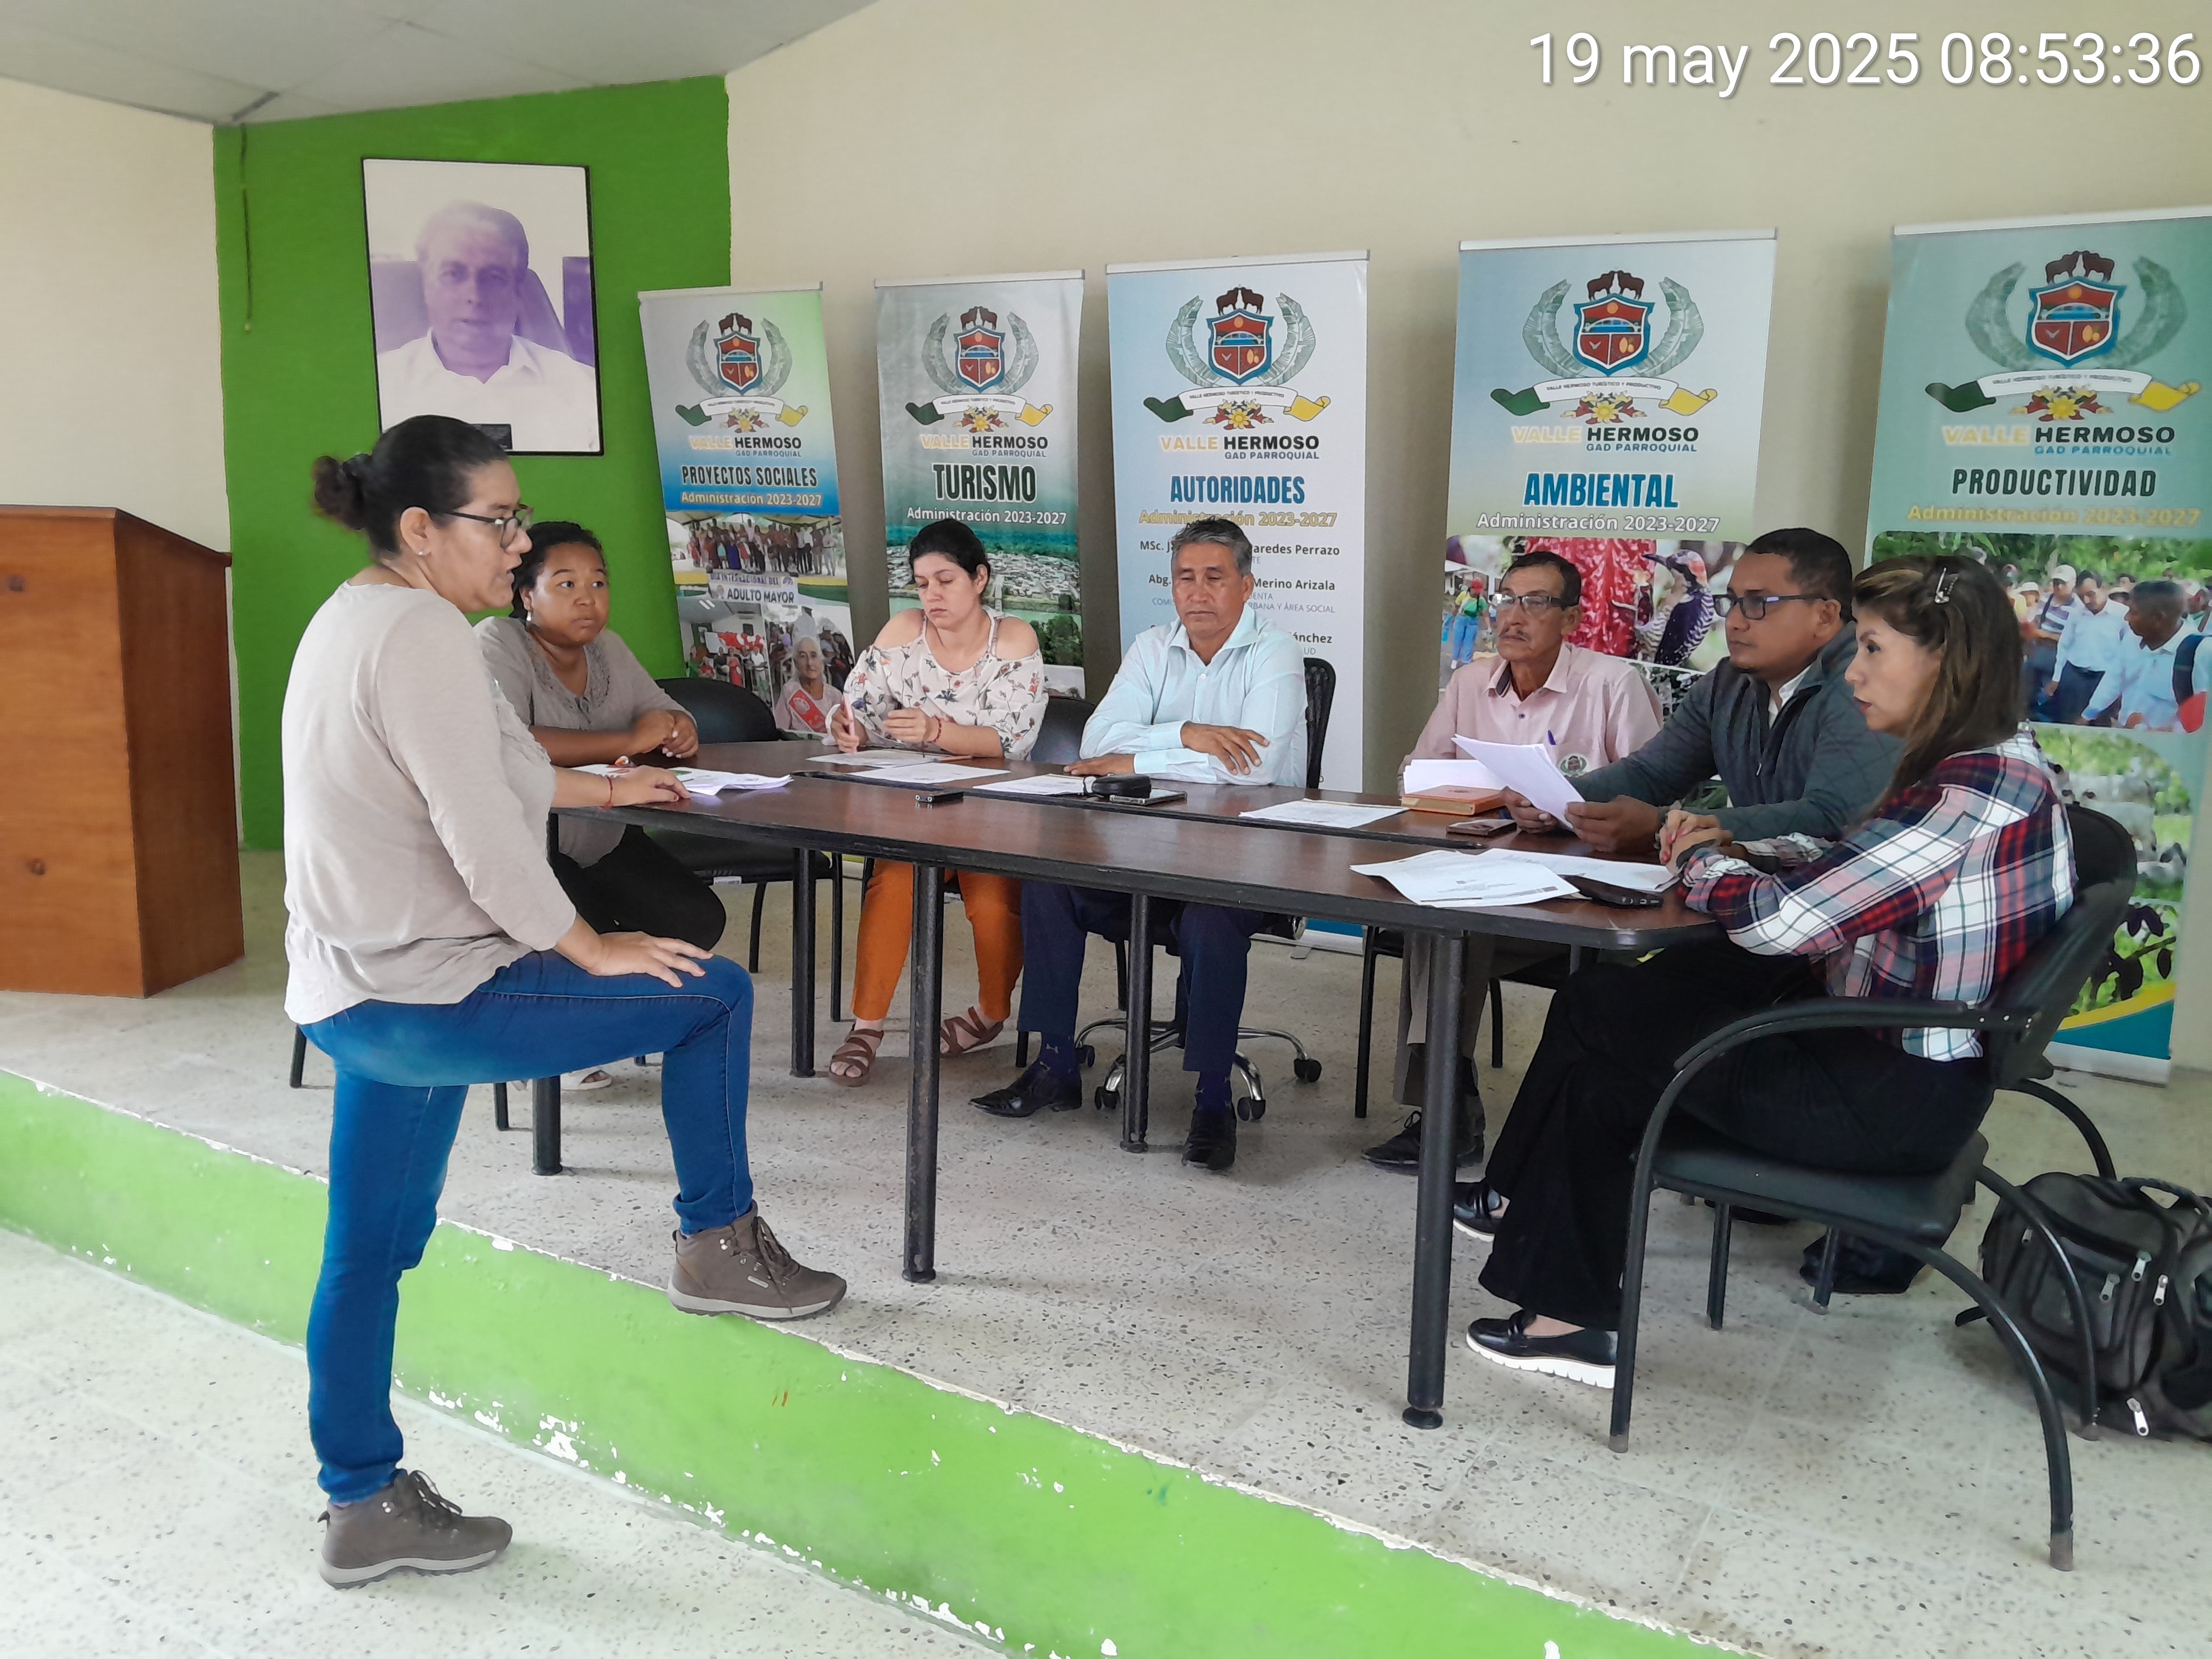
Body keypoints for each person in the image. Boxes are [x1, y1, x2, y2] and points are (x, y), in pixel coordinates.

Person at [287, 417, 843, 1588]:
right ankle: (715, 1247)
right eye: (499, 522)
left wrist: (612, 788)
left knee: (366, 1252)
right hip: (432, 987)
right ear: (420, 529)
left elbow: (502, 770)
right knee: (710, 992)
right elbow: (484, 834)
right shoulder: (428, 636)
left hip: (350, 995)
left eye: (519, 518)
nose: (518, 542)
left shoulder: (350, 617)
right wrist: (591, 944)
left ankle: (360, 1499)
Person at [1455, 556, 2073, 1387]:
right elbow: (1858, 858)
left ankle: (1533, 1245)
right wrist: (1741, 844)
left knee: (1604, 1017)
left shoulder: (1966, 796)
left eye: (1874, 650)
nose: (1854, 672)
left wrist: (1697, 860)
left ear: (1947, 662)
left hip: (1884, 1097)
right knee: (1609, 1036)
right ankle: (1558, 1295)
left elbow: (1785, 925)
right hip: (1898, 1065)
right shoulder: (1997, 763)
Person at [969, 517, 1307, 1173]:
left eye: (1215, 577)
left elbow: (1255, 767)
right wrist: (1188, 735)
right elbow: (1097, 744)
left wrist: (1139, 756)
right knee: (1050, 882)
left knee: (1209, 917)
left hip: (1242, 856)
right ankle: (1054, 1064)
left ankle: (1213, 1099)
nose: (1197, 592)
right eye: (1185, 578)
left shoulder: (1275, 653)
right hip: (1143, 850)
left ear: (1247, 586)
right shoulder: (1153, 648)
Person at [1364, 550, 1663, 1173]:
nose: (1513, 616)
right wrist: (1503, 795)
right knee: (1438, 921)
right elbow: (1415, 776)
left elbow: (1655, 801)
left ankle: (1444, 1106)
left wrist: (1565, 809)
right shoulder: (1471, 683)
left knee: (1454, 927)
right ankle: (1446, 1106)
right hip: (1494, 875)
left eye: (1535, 602)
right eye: (1506, 600)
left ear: (1572, 618)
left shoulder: (1612, 684)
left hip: (1580, 893)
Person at [1506, 528, 1898, 859]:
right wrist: (1555, 799)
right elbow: (1652, 774)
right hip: (1748, 891)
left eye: (1758, 603)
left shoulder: (1865, 685)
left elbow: (1833, 818)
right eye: (1733, 602)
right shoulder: (1729, 683)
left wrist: (1661, 826)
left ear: (1825, 616)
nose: (1736, 622)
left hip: (1845, 909)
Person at [827, 519, 1046, 1084]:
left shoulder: (1012, 640)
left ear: (980, 579)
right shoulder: (904, 631)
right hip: (916, 805)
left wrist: (935, 730)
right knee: (893, 886)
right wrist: (846, 728)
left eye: (946, 581)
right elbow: (858, 707)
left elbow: (1012, 742)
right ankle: (867, 1026)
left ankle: (991, 1014)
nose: (932, 596)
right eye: (922, 584)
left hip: (993, 809)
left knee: (992, 904)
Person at [375, 202, 599, 452]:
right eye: (453, 275)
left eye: (493, 278)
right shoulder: (379, 386)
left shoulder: (585, 390)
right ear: (427, 286)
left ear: (518, 290)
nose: (475, 296)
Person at [2081, 578, 2190, 731]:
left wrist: (2155, 731)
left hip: (2166, 744)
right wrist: (2089, 714)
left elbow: (2201, 722)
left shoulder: (2197, 654)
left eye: (2134, 612)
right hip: (2125, 735)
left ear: (2158, 618)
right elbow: (2115, 678)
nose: (2126, 618)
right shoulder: (2132, 638)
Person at [2043, 571, 2127, 724]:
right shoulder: (2077, 614)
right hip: (2075, 677)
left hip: (2104, 680)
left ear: (2103, 588)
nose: (2087, 601)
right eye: (2082, 597)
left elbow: (2127, 653)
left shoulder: (2122, 615)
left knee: (2099, 727)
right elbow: (2065, 645)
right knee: (2067, 723)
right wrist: (2057, 678)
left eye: (2091, 594)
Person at [2021, 565, 2075, 718]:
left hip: (2058, 657)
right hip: (2038, 653)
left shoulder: (2077, 608)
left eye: (2063, 583)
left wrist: (2044, 635)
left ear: (2073, 584)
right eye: (2056, 582)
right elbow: (2037, 622)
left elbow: (2072, 640)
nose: (2059, 587)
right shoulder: (2047, 599)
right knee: (2025, 691)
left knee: (2050, 699)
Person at [773, 632, 839, 735]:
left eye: (814, 656)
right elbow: (780, 731)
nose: (809, 663)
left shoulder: (835, 695)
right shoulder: (790, 691)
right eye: (803, 657)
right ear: (796, 663)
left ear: (821, 661)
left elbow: (842, 734)